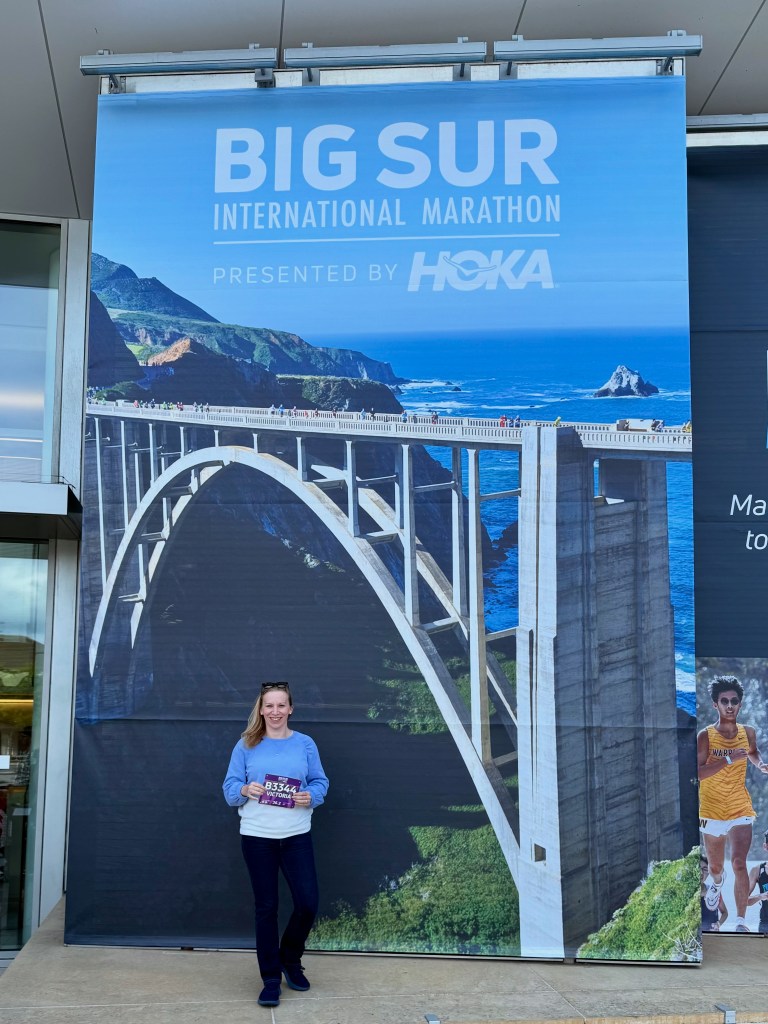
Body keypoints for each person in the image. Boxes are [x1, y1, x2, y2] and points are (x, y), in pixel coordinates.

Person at [223, 682, 329, 1008]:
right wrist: (245, 790)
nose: (275, 711)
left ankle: (290, 958)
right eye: (269, 705)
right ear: (261, 709)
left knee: (307, 903)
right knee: (266, 908)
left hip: (296, 835)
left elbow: (320, 781)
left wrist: (311, 795)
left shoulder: (305, 744)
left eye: (281, 705)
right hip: (257, 837)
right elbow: (229, 788)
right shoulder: (246, 744)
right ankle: (270, 979)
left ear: (290, 708)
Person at [698, 675, 768, 932]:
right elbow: (698, 772)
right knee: (716, 867)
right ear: (715, 704)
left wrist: (760, 764)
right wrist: (728, 760)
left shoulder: (748, 732)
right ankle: (716, 884)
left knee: (739, 862)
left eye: (734, 701)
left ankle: (740, 922)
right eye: (724, 701)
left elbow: (752, 752)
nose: (729, 706)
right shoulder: (705, 736)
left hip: (739, 806)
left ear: (740, 704)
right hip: (712, 809)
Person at [746, 829, 768, 934]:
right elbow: (744, 901)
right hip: (765, 924)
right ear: (765, 846)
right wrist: (761, 896)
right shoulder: (757, 870)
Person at [700, 854, 728, 931]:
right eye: (698, 868)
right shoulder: (686, 892)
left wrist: (718, 924)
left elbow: (725, 913)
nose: (701, 872)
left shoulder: (713, 891)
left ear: (709, 872)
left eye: (705, 869)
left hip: (712, 934)